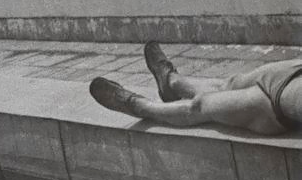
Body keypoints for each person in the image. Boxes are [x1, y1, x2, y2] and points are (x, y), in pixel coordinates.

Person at [89, 41, 302, 135]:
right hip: (293, 73)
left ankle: (139, 106)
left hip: (271, 107)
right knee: (229, 83)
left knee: (200, 106)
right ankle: (172, 83)